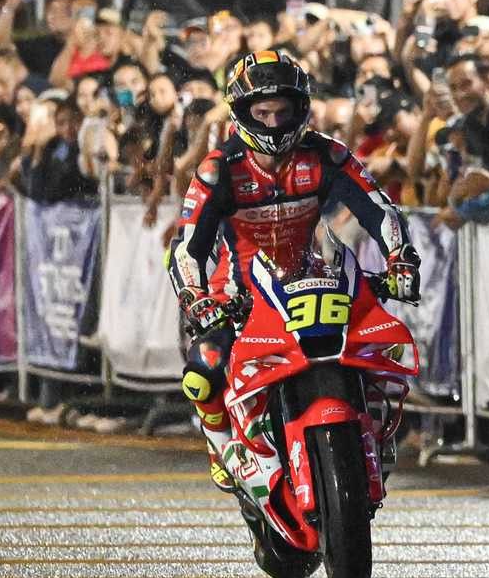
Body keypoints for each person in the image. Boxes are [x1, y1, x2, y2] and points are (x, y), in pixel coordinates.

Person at [166, 51, 421, 491]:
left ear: (300, 110)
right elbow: (187, 245)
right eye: (262, 113)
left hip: (316, 280)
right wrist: (196, 296)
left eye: (282, 112)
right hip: (241, 295)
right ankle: (220, 443)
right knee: (203, 368)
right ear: (242, 113)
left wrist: (399, 257)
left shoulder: (327, 154)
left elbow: (378, 208)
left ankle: (373, 433)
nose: (273, 123)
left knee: (383, 350)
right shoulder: (218, 170)